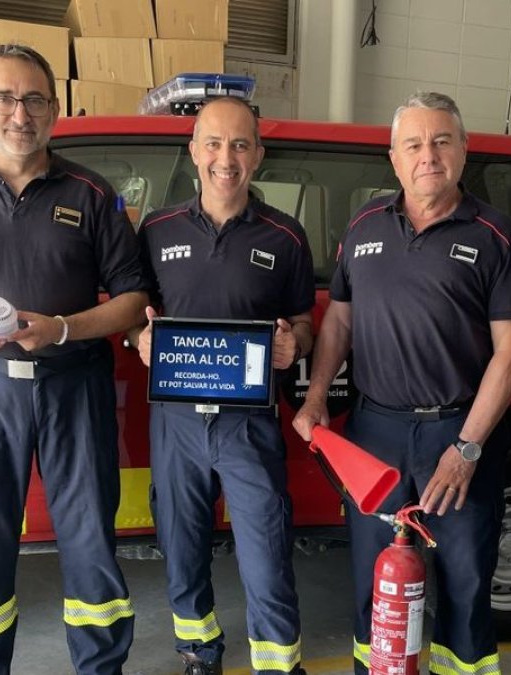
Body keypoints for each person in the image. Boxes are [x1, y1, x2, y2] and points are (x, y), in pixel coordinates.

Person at [0, 44, 149, 675]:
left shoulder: (91, 194)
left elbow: (132, 299)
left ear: (54, 108)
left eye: (34, 99)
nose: (20, 114)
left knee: (91, 543)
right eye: (5, 98)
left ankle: (101, 667)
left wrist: (64, 329)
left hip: (75, 388)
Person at [291, 92, 511, 675]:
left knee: (464, 587)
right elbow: (339, 323)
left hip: (459, 432)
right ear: (394, 159)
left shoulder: (495, 235)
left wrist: (467, 448)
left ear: (463, 150)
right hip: (375, 432)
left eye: (442, 141)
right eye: (414, 144)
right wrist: (317, 396)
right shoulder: (364, 226)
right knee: (375, 584)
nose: (429, 155)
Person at [130, 96, 314, 675]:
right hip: (176, 423)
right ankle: (198, 653)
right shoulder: (155, 229)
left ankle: (278, 665)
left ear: (257, 154)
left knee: (266, 553)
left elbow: (304, 321)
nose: (225, 158)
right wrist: (140, 338)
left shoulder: (285, 236)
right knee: (181, 547)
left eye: (239, 145)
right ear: (194, 151)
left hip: (248, 423)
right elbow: (136, 312)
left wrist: (293, 343)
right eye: (213, 143)